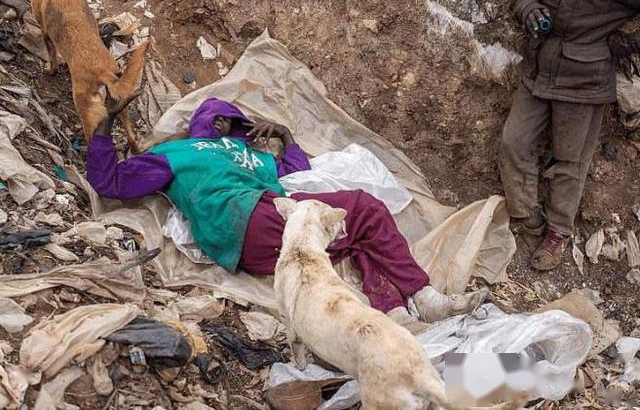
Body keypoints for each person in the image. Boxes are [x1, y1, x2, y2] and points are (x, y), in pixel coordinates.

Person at [88, 95, 487, 332]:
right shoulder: (194, 152)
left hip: (257, 248)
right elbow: (112, 184)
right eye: (230, 120)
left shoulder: (206, 154)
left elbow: (297, 178)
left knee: (353, 234)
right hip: (254, 220)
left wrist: (286, 138)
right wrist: (102, 131)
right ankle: (425, 295)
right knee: (364, 207)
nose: (234, 127)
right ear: (221, 122)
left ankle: (395, 315)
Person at [500, 0, 640, 271]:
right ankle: (527, 219)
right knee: (514, 143)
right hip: (539, 70)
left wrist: (626, 41)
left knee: (569, 161)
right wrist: (530, 11)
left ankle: (558, 232)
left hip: (585, 81)